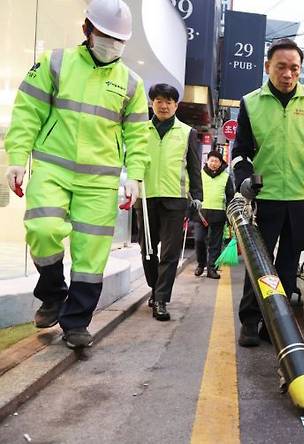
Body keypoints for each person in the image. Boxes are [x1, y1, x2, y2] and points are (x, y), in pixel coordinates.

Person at [3, 0, 149, 348]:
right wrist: (17, 157)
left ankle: (76, 323)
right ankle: (53, 292)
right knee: (42, 229)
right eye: (106, 35)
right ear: (87, 30)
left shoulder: (131, 83)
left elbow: (138, 135)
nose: (112, 44)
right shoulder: (55, 63)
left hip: (100, 180)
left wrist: (136, 176)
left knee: (91, 254)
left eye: (120, 39)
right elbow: (27, 112)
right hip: (53, 168)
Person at [232, 38, 304, 347]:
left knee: (288, 268)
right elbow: (241, 153)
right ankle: (250, 322)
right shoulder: (250, 103)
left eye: (295, 68)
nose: (288, 74)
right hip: (265, 197)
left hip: (302, 197)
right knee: (259, 264)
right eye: (281, 67)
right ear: (267, 67)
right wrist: (245, 180)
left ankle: (273, 324)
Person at [136, 83, 202, 321]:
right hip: (145, 198)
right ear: (152, 103)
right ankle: (155, 289)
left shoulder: (187, 132)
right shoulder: (140, 130)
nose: (163, 106)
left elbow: (195, 168)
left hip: (175, 199)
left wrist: (197, 197)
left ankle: (161, 299)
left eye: (168, 101)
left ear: (176, 105)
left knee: (170, 253)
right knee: (147, 250)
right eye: (158, 101)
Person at [194, 150, 234, 279]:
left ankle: (212, 268)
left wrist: (230, 216)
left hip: (219, 213)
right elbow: (194, 192)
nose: (214, 163)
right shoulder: (200, 175)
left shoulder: (226, 177)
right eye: (211, 160)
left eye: (216, 161)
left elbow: (230, 196)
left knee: (215, 243)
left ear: (221, 162)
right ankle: (201, 264)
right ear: (207, 161)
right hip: (201, 213)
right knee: (199, 240)